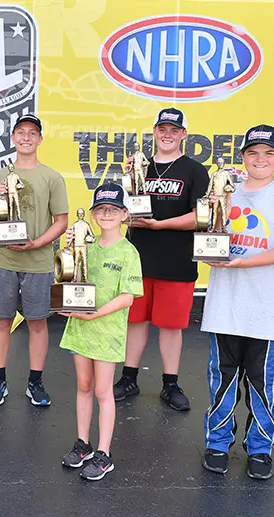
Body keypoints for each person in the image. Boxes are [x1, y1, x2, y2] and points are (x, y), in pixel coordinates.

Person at [199, 125, 274, 480]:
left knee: (263, 386)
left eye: (268, 153)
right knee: (222, 381)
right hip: (225, 307)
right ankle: (218, 443)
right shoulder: (225, 190)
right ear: (243, 156)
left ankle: (260, 448)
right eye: (253, 152)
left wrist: (244, 262)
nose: (260, 159)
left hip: (266, 310)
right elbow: (208, 231)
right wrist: (210, 249)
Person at [116, 108, 210, 411]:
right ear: (155, 132)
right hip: (138, 257)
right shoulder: (138, 167)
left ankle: (170, 384)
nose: (167, 135)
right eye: (162, 129)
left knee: (171, 326)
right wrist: (125, 213)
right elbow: (122, 210)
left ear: (183, 134)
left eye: (174, 130)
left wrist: (160, 224)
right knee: (135, 321)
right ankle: (128, 378)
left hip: (177, 261)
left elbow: (200, 217)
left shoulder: (195, 171)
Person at [0, 114, 69, 406]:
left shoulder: (52, 178)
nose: (26, 137)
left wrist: (36, 244)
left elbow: (62, 221)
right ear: (13, 138)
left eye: (32, 133)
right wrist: (1, 202)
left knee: (38, 324)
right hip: (4, 260)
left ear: (40, 139)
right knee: (2, 321)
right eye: (21, 132)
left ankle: (35, 383)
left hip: (39, 263)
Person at [59, 182, 144, 481]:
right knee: (83, 386)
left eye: (113, 209)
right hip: (80, 330)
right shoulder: (87, 246)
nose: (107, 214)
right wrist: (68, 249)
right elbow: (68, 276)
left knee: (102, 391)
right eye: (101, 209)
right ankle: (83, 443)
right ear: (93, 214)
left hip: (107, 331)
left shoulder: (128, 252)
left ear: (124, 214)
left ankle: (104, 453)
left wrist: (95, 313)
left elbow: (128, 297)